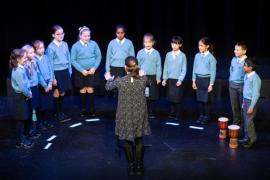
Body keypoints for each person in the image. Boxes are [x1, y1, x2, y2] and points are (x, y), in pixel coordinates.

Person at [105, 56, 151, 176]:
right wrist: (143, 74)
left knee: (126, 140)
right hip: (139, 114)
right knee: (139, 139)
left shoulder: (121, 81)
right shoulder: (143, 79)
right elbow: (149, 83)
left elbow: (108, 87)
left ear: (126, 68)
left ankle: (131, 167)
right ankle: (140, 167)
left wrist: (109, 79)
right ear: (137, 67)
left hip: (125, 114)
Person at [71, 26, 101, 117]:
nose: (87, 38)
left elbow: (98, 56)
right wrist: (81, 70)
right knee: (83, 89)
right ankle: (83, 109)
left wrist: (94, 68)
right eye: (85, 36)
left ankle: (92, 109)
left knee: (90, 89)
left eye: (89, 36)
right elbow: (73, 60)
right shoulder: (75, 46)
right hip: (81, 72)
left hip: (92, 71)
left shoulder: (94, 44)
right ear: (80, 36)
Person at [46, 25, 72, 123]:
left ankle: (61, 112)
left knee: (63, 92)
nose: (61, 35)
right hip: (56, 72)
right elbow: (50, 64)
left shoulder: (65, 44)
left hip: (65, 70)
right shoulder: (50, 47)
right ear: (53, 35)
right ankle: (58, 114)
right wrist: (53, 78)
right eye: (58, 34)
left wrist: (69, 71)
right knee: (57, 92)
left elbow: (68, 58)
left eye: (62, 33)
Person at [9, 48, 34, 149]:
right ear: (17, 59)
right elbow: (22, 87)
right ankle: (20, 142)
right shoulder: (18, 71)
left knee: (23, 118)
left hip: (23, 96)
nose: (25, 59)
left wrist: (28, 92)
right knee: (20, 119)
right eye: (23, 58)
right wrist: (28, 94)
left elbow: (26, 82)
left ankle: (22, 138)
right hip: (20, 97)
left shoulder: (21, 68)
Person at [192, 37, 217, 125]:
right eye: (199, 45)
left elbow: (213, 72)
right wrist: (194, 81)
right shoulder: (197, 55)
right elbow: (194, 68)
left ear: (207, 46)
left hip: (206, 80)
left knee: (206, 100)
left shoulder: (211, 58)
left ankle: (207, 116)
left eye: (201, 46)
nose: (199, 47)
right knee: (199, 99)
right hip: (199, 79)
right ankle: (201, 115)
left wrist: (211, 84)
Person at [136, 33, 162, 118]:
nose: (147, 44)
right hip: (143, 77)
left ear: (153, 43)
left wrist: (158, 77)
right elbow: (137, 65)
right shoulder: (140, 52)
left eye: (149, 42)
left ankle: (151, 112)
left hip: (153, 77)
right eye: (146, 42)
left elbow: (158, 66)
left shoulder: (156, 53)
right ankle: (143, 112)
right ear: (143, 43)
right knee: (144, 95)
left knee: (152, 95)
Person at [22, 44, 45, 138]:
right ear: (26, 54)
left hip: (35, 88)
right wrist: (28, 92)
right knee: (30, 111)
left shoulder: (34, 61)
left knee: (34, 110)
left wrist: (44, 84)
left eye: (33, 52)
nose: (33, 54)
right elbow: (25, 81)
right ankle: (27, 131)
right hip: (29, 90)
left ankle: (33, 129)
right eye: (31, 53)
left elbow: (38, 74)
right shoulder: (24, 66)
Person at [162, 36, 187, 120]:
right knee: (171, 98)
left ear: (180, 45)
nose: (174, 46)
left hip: (178, 80)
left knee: (177, 98)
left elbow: (184, 69)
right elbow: (165, 67)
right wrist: (164, 79)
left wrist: (180, 80)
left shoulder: (183, 56)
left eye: (176, 44)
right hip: (170, 79)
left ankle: (177, 113)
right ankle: (172, 112)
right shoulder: (168, 54)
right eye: (173, 43)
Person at [239, 57, 261, 148]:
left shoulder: (256, 78)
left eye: (245, 65)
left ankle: (252, 139)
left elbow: (256, 94)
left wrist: (251, 106)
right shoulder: (246, 76)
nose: (243, 66)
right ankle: (246, 137)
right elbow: (245, 90)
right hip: (246, 101)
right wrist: (244, 101)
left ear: (250, 67)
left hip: (252, 102)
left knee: (249, 121)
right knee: (245, 120)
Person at [33, 40, 54, 129]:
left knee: (46, 105)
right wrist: (45, 85)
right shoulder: (34, 59)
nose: (42, 50)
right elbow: (38, 74)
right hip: (41, 85)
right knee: (40, 105)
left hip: (48, 83)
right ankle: (40, 123)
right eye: (40, 48)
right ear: (35, 50)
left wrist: (50, 83)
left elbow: (51, 69)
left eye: (43, 47)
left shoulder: (46, 57)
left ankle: (45, 121)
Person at [229, 42, 247, 128]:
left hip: (242, 86)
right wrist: (231, 79)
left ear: (244, 51)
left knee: (243, 106)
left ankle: (244, 123)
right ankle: (236, 122)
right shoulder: (233, 59)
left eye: (237, 50)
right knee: (234, 105)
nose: (235, 51)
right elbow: (231, 70)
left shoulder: (247, 61)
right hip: (232, 85)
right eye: (235, 49)